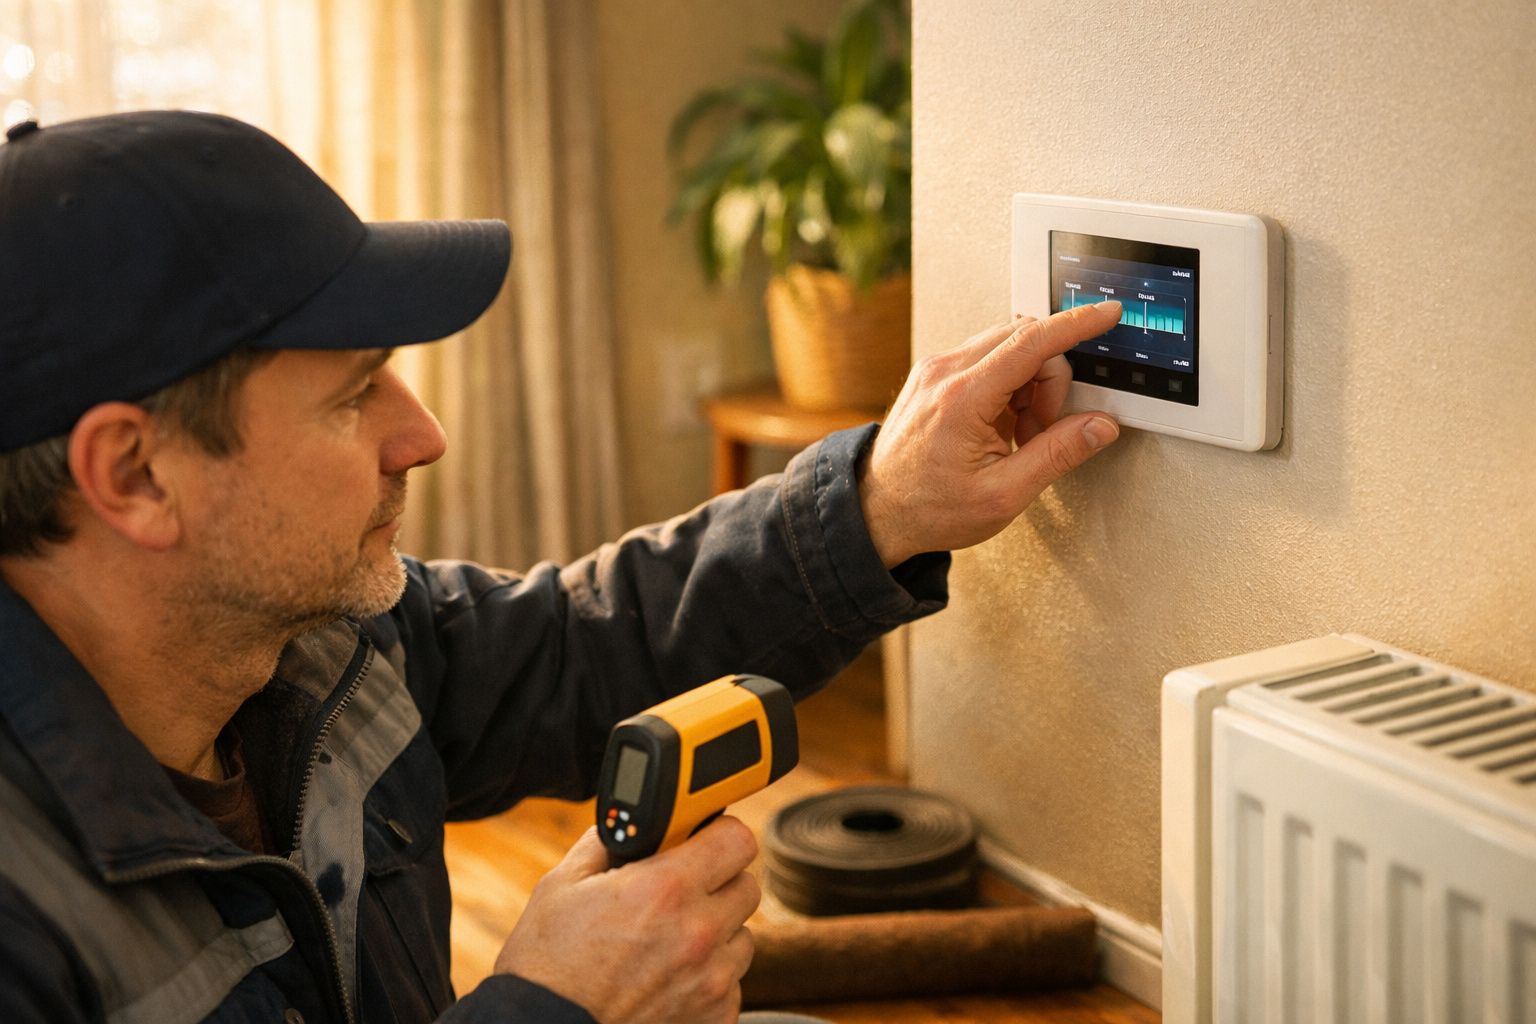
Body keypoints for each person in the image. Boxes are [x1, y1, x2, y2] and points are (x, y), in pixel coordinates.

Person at [0, 110, 1123, 1024]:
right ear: (136, 475)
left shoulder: (326, 641)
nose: (422, 433)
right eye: (352, 397)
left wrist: (883, 499)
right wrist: (549, 1009)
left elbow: (582, 643)